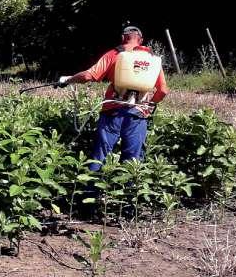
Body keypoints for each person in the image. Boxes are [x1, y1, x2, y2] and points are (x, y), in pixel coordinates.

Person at [58, 26, 169, 171]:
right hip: (138, 113)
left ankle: (91, 192)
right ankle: (129, 192)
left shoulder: (115, 54)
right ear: (141, 40)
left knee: (101, 155)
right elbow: (163, 90)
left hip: (112, 111)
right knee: (133, 162)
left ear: (123, 38)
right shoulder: (153, 60)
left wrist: (68, 79)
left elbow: (88, 76)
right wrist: (150, 103)